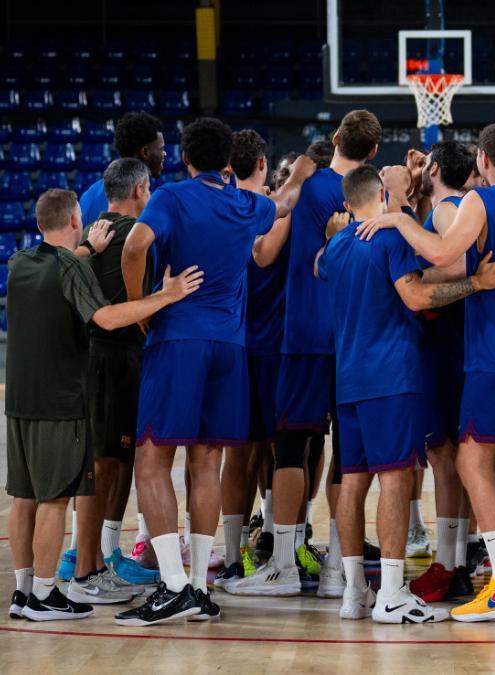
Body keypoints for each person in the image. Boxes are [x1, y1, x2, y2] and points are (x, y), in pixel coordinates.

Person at [356, 122, 495, 623]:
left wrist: (397, 217)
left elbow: (444, 255)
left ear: (483, 161)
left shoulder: (478, 201)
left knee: (471, 462)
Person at [114, 118, 315, 626]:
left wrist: (143, 304)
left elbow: (134, 245)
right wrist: (300, 173)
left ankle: (173, 585)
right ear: (228, 162)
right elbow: (285, 203)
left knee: (151, 460)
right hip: (230, 346)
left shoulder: (171, 197)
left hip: (179, 338)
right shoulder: (246, 203)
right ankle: (200, 588)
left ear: (185, 159)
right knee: (207, 462)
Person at [318, 165, 495, 622]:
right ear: (382, 198)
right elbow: (416, 297)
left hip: (347, 378)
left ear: (347, 204)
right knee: (395, 479)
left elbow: (320, 267)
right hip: (391, 376)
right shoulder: (390, 239)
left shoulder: (335, 246)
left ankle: (354, 592)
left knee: (352, 481)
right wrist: (478, 282)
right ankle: (391, 594)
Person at [6, 189, 202, 620]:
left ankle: (22, 593)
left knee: (24, 497)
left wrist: (87, 250)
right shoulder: (71, 266)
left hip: (19, 400)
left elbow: (59, 267)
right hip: (60, 400)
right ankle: (44, 595)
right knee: (55, 499)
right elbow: (107, 319)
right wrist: (166, 296)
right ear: (76, 220)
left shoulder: (19, 262)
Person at [232, 111, 382, 596]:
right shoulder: (375, 196)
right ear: (373, 152)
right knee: (349, 451)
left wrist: (294, 177)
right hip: (356, 333)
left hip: (305, 333)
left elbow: (263, 247)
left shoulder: (306, 188)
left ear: (334, 138)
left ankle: (282, 565)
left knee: (292, 444)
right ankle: (339, 569)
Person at [73, 159, 164, 594]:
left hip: (94, 357)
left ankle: (92, 563)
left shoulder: (92, 233)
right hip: (113, 357)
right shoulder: (135, 235)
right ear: (139, 190)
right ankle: (86, 571)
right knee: (103, 467)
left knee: (104, 464)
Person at [405, 141, 477, 604]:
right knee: (453, 458)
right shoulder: (444, 208)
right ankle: (457, 560)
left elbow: (459, 263)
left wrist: (409, 277)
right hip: (450, 343)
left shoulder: (450, 209)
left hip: (444, 344)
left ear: (434, 169)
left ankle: (449, 565)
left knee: (446, 458)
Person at [214, 129, 278, 590]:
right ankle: (275, 541)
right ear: (261, 162)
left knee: (236, 451)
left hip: (232, 340)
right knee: (280, 448)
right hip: (273, 344)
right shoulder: (273, 209)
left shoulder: (217, 207)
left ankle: (235, 553)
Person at [79, 112, 166, 225]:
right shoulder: (154, 201)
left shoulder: (89, 195)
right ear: (145, 152)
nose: (164, 154)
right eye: (161, 149)